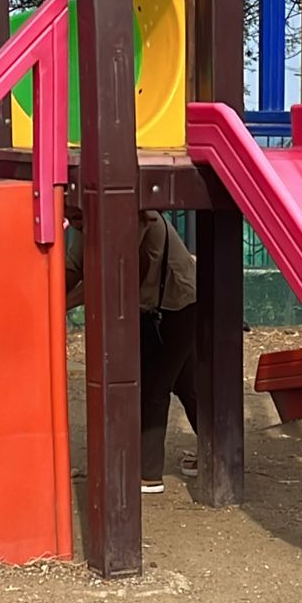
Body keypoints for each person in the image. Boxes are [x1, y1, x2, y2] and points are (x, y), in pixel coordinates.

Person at [65, 209, 197, 493]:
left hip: (178, 304)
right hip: (151, 307)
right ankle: (217, 448)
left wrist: (56, 304)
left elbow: (107, 276)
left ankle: (148, 475)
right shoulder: (89, 220)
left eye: (78, 217)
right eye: (70, 217)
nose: (75, 224)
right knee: (188, 384)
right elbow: (74, 267)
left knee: (154, 385)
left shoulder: (132, 218)